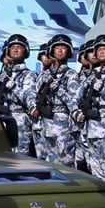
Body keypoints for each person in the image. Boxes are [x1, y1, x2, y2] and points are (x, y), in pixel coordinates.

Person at [73, 34, 105, 185]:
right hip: (91, 130)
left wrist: (103, 89)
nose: (102, 52)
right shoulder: (90, 77)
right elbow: (75, 99)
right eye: (99, 49)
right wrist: (76, 112)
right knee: (95, 173)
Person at [30, 34, 81, 166]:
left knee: (65, 164)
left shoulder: (71, 75)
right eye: (57, 47)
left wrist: (58, 89)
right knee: (47, 164)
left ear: (68, 51)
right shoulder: (44, 75)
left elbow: (74, 100)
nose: (59, 50)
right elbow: (34, 95)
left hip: (64, 126)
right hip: (45, 124)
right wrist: (33, 107)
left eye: (63, 48)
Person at [0, 34, 38, 155]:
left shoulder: (28, 75)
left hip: (19, 121)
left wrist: (14, 86)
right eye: (13, 47)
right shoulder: (3, 74)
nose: (16, 49)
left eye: (19, 47)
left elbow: (30, 98)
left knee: (19, 158)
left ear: (26, 51)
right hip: (2, 119)